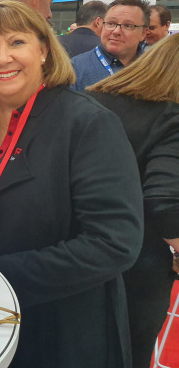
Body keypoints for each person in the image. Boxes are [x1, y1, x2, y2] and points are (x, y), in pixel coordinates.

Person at [0, 0, 143, 368]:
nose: (2, 58)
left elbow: (115, 243)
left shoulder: (87, 124)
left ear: (45, 50)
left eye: (16, 42)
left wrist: (3, 266)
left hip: (63, 325)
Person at [87, 34, 179, 368]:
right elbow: (164, 201)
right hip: (139, 265)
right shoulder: (172, 116)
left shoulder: (95, 99)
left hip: (79, 253)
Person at [71, 0, 149, 91]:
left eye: (128, 26)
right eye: (111, 23)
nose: (116, 31)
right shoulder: (75, 69)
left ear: (143, 33)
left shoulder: (154, 71)